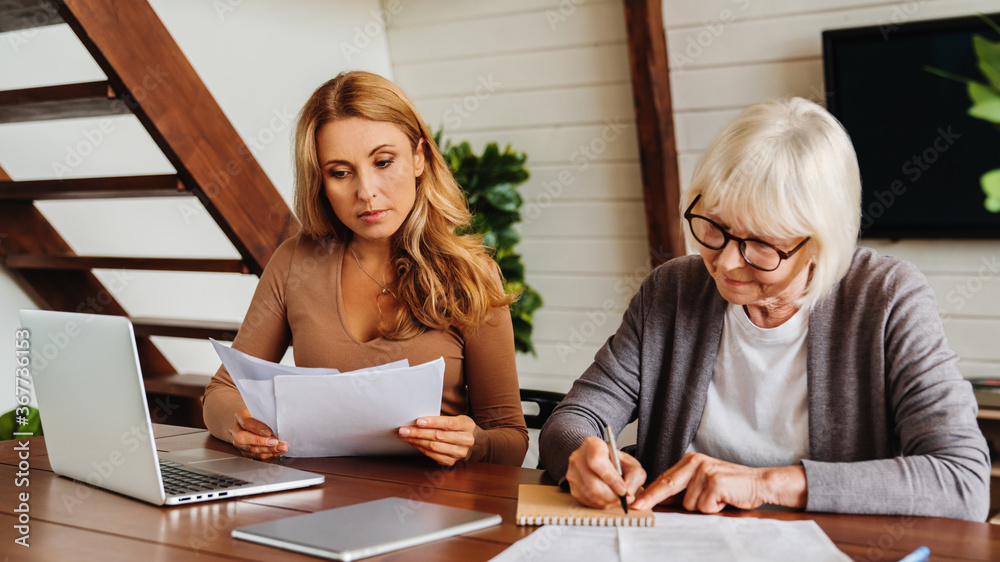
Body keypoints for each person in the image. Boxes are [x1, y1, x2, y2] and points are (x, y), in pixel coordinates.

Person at [538, 97, 990, 520]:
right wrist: (584, 455)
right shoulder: (671, 291)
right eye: (713, 227)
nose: (727, 262)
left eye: (761, 244)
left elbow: (962, 482)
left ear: (819, 243)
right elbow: (573, 420)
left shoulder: (888, 297)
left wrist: (765, 485)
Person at [203, 71, 528, 467]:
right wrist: (241, 424)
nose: (366, 191)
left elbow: (512, 439)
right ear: (320, 182)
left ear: (419, 158)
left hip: (435, 506)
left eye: (384, 162)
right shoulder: (296, 262)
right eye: (340, 172)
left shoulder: (470, 275)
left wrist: (473, 443)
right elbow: (221, 391)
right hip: (319, 500)